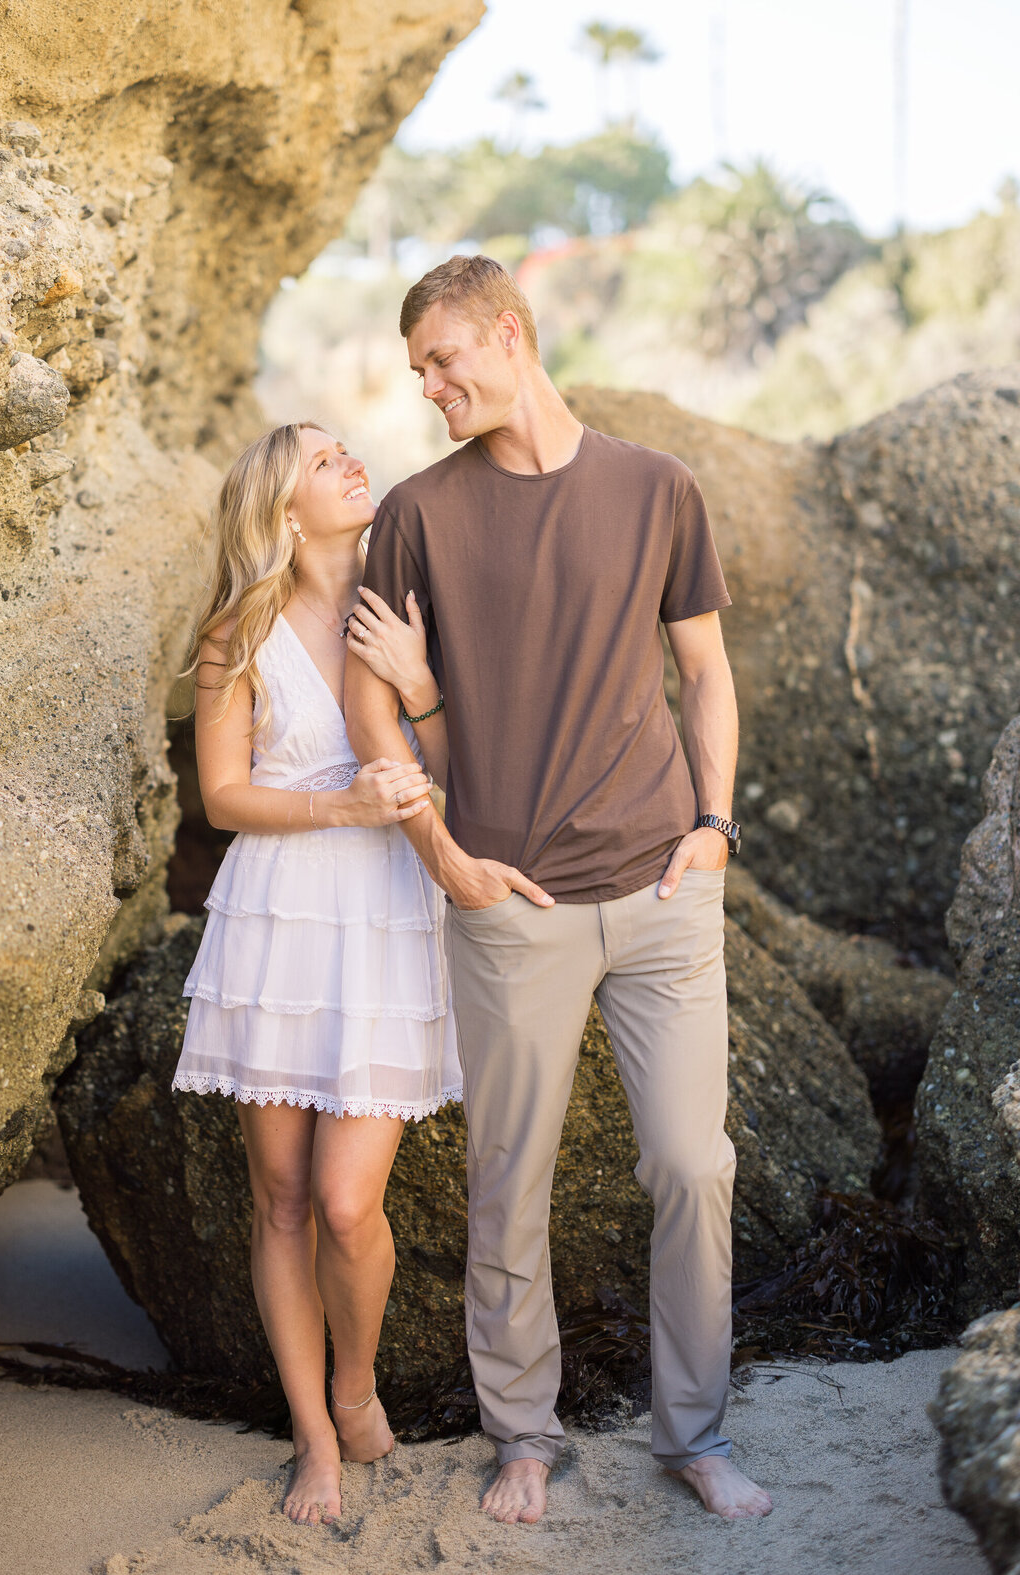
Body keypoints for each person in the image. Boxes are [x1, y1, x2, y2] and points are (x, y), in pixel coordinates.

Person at [344, 254, 773, 1528]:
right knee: (507, 1175)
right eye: (419, 370)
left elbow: (705, 671)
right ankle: (520, 1433)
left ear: (510, 335)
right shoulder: (415, 512)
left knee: (695, 1164)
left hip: (661, 889)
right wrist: (445, 858)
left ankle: (692, 1432)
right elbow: (377, 708)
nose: (427, 386)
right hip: (507, 904)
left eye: (442, 360)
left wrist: (716, 824)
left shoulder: (658, 487)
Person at [170, 422, 461, 1527]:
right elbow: (223, 795)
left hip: (389, 911)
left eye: (349, 448)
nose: (350, 461)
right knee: (283, 1195)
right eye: (321, 455)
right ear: (284, 508)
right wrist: (339, 803)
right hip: (278, 915)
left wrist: (423, 680)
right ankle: (313, 1434)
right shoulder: (237, 629)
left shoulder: (409, 601)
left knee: (349, 1202)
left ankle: (356, 1380)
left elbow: (463, 744)